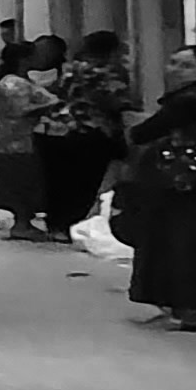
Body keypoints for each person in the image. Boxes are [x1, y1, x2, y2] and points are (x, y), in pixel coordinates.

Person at [119, 46, 196, 338]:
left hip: (183, 186)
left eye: (185, 65)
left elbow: (143, 133)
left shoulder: (188, 102)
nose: (173, 69)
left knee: (182, 246)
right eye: (173, 62)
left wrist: (133, 126)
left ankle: (189, 306)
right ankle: (189, 306)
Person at [35, 29, 134, 241]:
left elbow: (58, 93)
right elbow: (116, 101)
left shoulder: (71, 69)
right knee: (85, 182)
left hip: (59, 129)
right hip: (93, 130)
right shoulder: (111, 71)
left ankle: (56, 224)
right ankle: (72, 222)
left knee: (59, 179)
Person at [0, 38, 60, 239]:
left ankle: (24, 222)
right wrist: (50, 104)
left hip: (19, 139)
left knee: (26, 181)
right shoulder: (13, 83)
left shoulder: (21, 81)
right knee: (22, 182)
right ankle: (21, 223)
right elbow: (20, 110)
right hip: (17, 140)